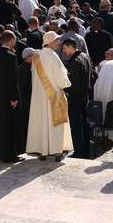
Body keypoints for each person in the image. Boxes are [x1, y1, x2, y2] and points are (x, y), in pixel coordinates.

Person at [26, 31, 73, 162]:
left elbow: (33, 76)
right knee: (55, 124)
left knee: (41, 122)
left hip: (39, 96)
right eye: (56, 40)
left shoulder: (36, 56)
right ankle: (57, 151)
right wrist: (66, 83)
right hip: (54, 95)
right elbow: (61, 76)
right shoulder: (53, 56)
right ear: (50, 42)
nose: (58, 43)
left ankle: (43, 151)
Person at [0, 31, 25, 162]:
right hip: (8, 95)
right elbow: (13, 79)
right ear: (11, 40)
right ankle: (9, 154)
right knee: (9, 124)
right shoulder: (11, 56)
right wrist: (14, 98)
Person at [62, 39, 92, 158]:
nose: (64, 51)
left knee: (77, 124)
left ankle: (79, 151)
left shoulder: (74, 61)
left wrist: (66, 90)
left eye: (65, 48)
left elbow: (74, 83)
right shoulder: (85, 56)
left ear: (70, 47)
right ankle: (86, 148)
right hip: (85, 95)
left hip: (76, 96)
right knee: (84, 122)